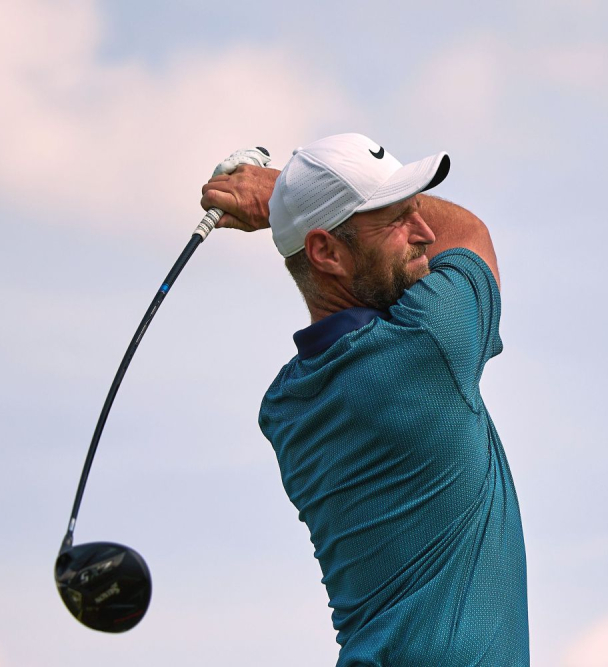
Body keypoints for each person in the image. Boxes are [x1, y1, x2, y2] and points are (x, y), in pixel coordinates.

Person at [200, 134, 528, 666]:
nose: (424, 233)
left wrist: (296, 204)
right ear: (325, 251)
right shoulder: (428, 342)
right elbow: (468, 234)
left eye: (418, 210)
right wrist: (282, 190)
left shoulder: (285, 406)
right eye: (396, 220)